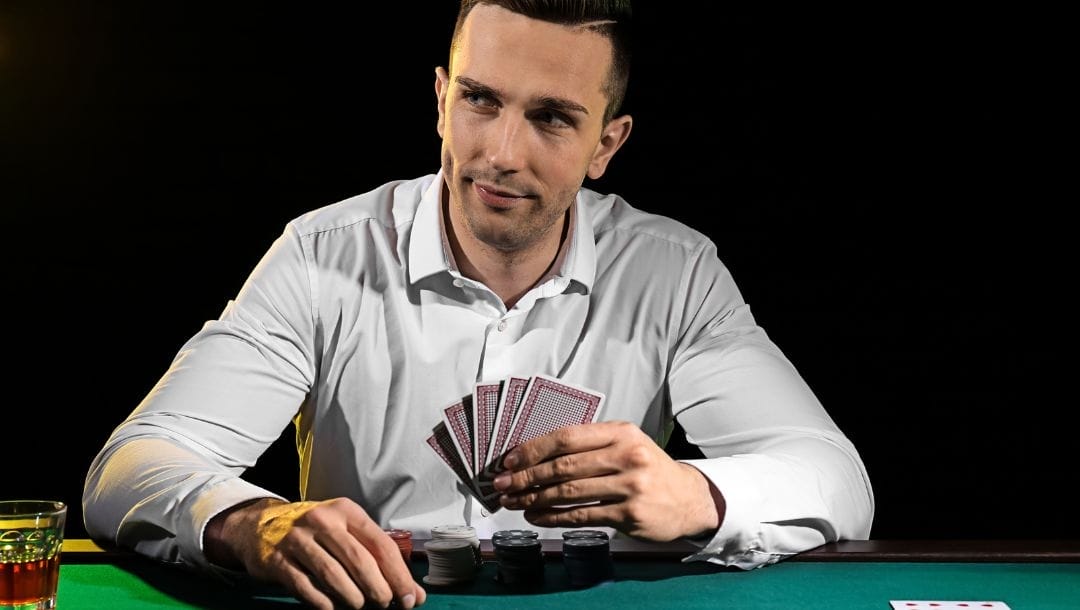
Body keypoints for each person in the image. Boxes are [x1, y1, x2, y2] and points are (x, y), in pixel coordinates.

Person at [82, 1, 875, 608]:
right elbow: (128, 466)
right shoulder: (323, 255)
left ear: (607, 144)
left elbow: (837, 480)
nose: (499, 152)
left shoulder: (675, 272)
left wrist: (694, 493)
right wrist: (250, 523)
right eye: (480, 101)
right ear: (439, 100)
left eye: (552, 118)